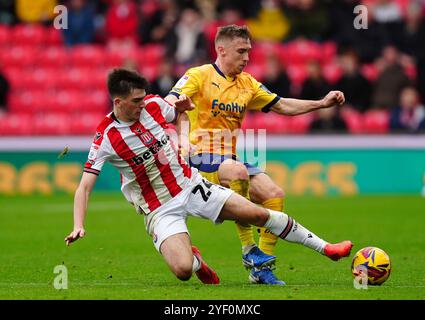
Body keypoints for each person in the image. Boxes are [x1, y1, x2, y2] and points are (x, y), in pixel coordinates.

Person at [65, 69, 353, 285]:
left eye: (143, 98)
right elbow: (85, 187)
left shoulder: (153, 105)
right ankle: (196, 260)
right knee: (182, 271)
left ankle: (326, 248)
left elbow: (181, 111)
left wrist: (182, 137)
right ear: (119, 102)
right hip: (159, 208)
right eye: (136, 101)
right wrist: (79, 225)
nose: (143, 104)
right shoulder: (106, 137)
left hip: (191, 185)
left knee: (257, 213)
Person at [165, 25, 347, 285]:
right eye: (241, 51)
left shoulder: (247, 83)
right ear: (221, 50)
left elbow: (282, 104)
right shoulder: (198, 75)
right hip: (197, 155)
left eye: (248, 51)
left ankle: (261, 269)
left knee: (274, 194)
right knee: (238, 172)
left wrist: (321, 103)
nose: (247, 57)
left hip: (228, 157)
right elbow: (169, 101)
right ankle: (249, 248)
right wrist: (178, 125)